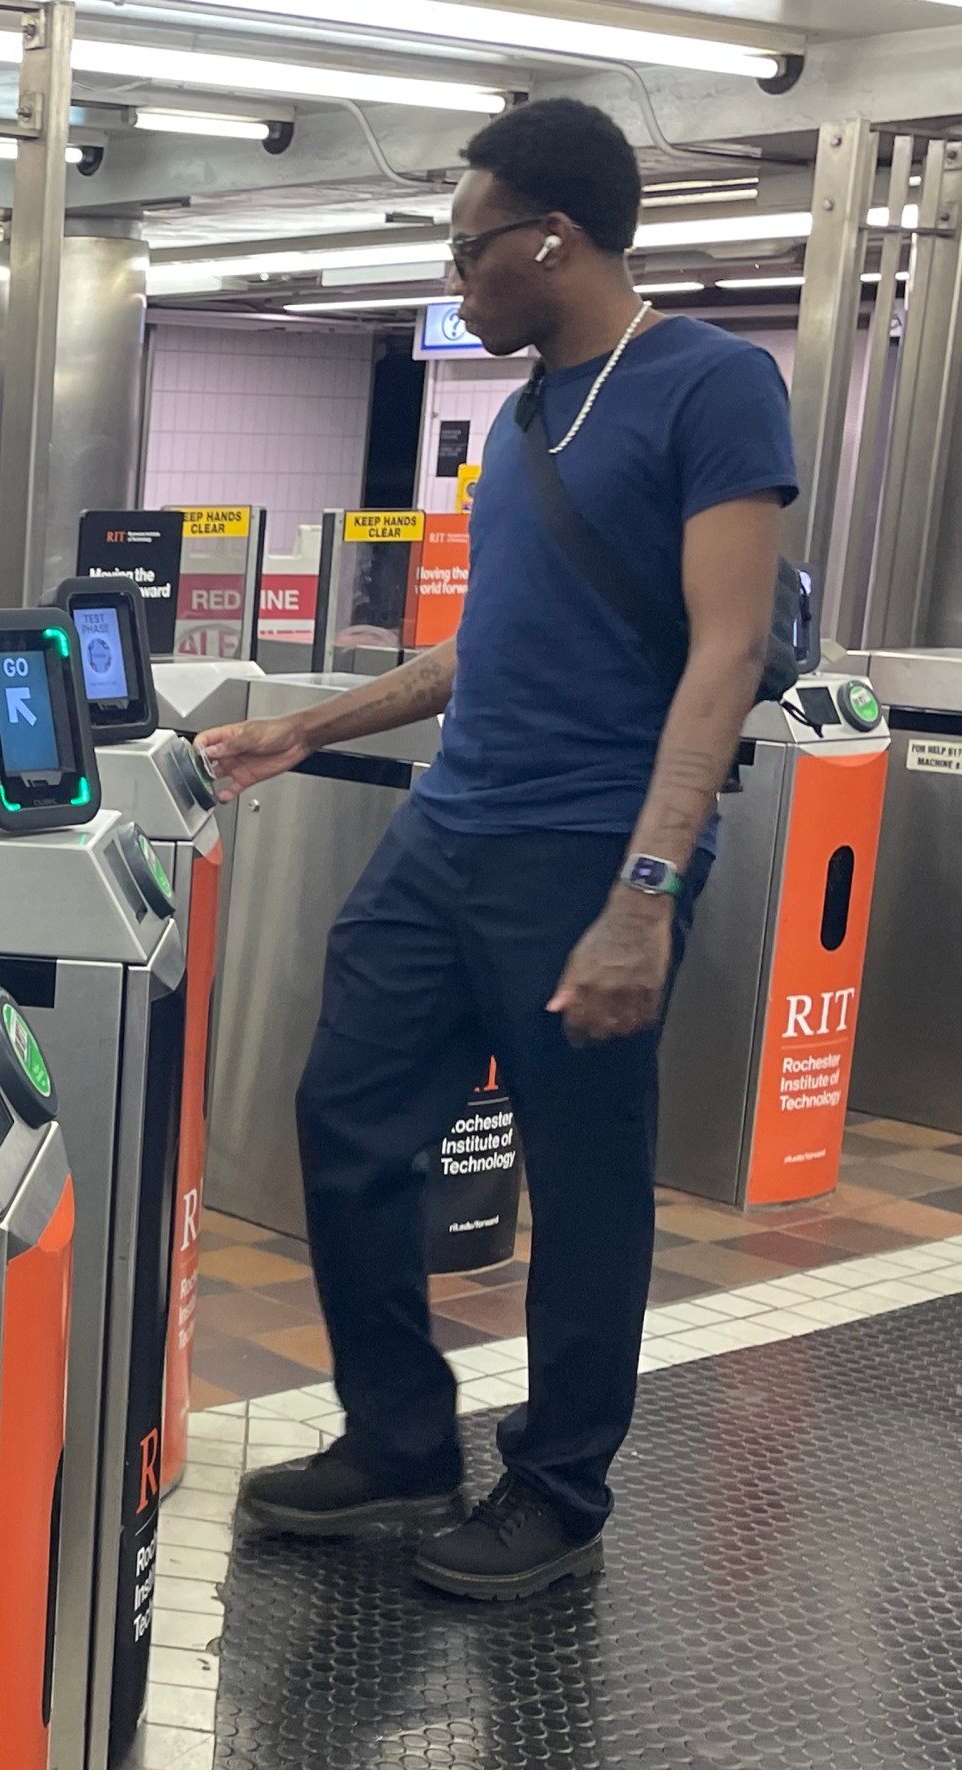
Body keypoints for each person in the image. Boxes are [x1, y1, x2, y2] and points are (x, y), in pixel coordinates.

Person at [213, 98, 794, 1600]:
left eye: (470, 246)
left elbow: (724, 653)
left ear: (554, 238)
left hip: (592, 850)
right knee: (348, 1124)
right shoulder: (529, 415)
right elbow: (485, 646)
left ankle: (560, 1488)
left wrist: (645, 896)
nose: (456, 276)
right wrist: (308, 728)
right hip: (449, 834)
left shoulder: (711, 385)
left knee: (586, 1181)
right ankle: (402, 1439)